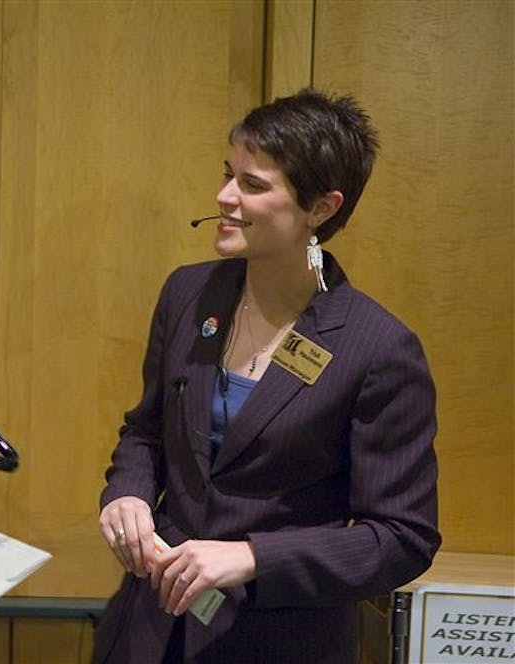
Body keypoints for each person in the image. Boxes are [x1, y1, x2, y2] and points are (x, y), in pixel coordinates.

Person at [93, 89, 440, 663]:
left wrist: (252, 557)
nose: (224, 197)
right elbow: (144, 433)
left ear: (322, 209)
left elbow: (402, 539)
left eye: (253, 185)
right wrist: (126, 494)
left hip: (276, 642)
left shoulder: (378, 349)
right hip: (147, 634)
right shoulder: (188, 294)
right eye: (228, 175)